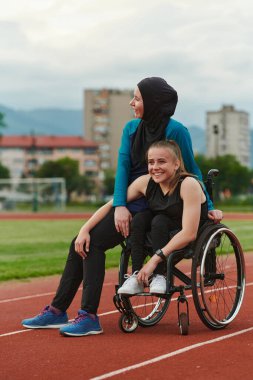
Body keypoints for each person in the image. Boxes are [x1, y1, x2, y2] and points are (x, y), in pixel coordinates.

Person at [21, 77, 222, 337]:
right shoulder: (130, 129)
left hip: (164, 203)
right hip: (134, 196)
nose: (132, 103)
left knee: (105, 237)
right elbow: (122, 170)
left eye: (137, 98)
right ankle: (63, 312)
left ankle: (86, 315)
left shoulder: (177, 131)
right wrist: (119, 206)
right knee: (83, 242)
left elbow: (190, 171)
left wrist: (210, 206)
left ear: (153, 103)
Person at [117, 140, 209, 295]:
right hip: (161, 227)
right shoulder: (146, 182)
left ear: (176, 164)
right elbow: (113, 201)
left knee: (158, 221)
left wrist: (154, 261)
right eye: (151, 162)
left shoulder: (189, 184)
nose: (155, 167)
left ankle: (160, 275)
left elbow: (189, 233)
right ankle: (136, 275)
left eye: (161, 161)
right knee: (140, 219)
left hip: (185, 232)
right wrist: (85, 229)